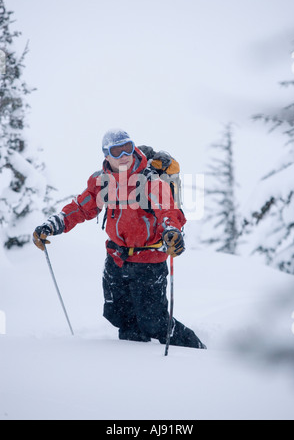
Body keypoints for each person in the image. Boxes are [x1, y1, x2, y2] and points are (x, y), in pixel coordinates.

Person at [33, 129, 206, 349]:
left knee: (154, 322)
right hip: (116, 259)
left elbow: (168, 210)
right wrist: (53, 224)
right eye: (117, 150)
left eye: (128, 147)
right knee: (120, 317)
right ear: (106, 155)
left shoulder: (150, 180)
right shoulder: (102, 181)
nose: (124, 154)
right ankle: (129, 367)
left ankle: (198, 351)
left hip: (149, 261)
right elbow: (80, 208)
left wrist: (171, 231)